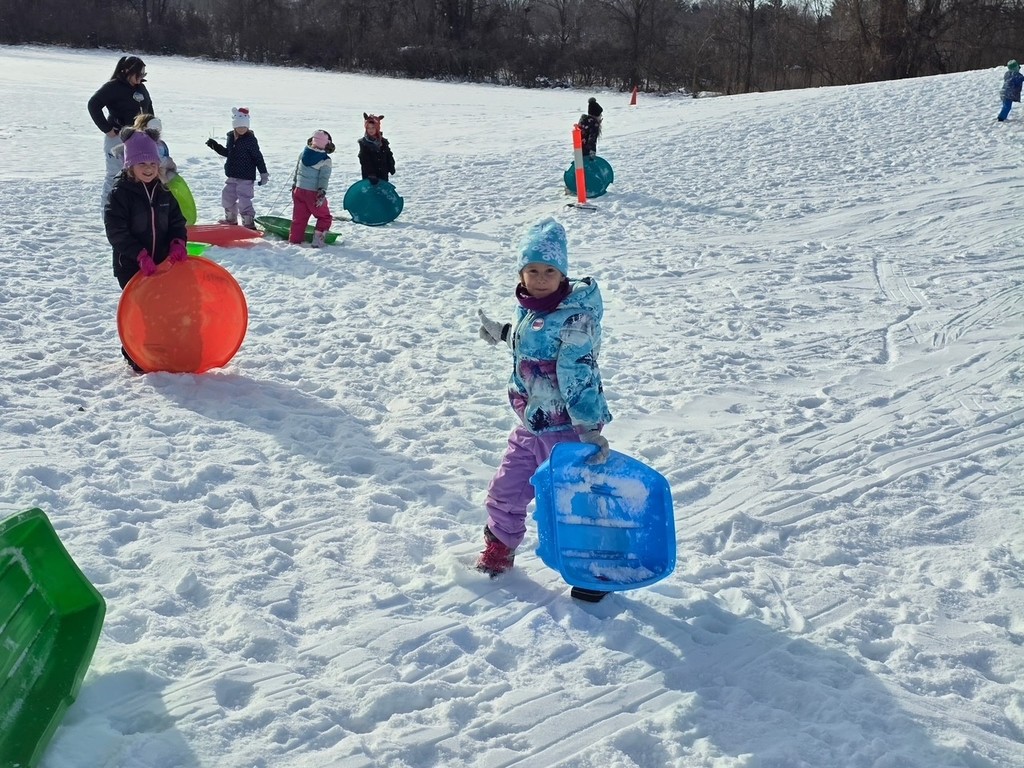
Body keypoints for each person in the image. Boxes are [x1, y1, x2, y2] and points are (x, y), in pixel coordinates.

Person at [475, 218, 613, 600]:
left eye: (549, 271)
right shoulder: (530, 308)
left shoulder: (576, 318)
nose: (540, 279)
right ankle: (500, 548)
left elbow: (577, 372)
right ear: (521, 273)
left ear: (563, 274)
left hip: (570, 429)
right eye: (532, 270)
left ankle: (593, 570)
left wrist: (589, 428)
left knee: (575, 500)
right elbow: (535, 345)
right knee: (506, 488)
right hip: (533, 424)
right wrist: (504, 333)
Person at [103, 130, 189, 371]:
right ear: (130, 164)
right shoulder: (120, 194)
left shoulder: (163, 191)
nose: (149, 169)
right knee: (140, 310)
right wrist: (139, 254)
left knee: (162, 308)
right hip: (131, 266)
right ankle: (134, 352)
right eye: (142, 163)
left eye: (153, 163)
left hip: (161, 263)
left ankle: (161, 347)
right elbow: (116, 232)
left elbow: (177, 221)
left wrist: (177, 241)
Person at [87, 55, 154, 211]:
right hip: (118, 138)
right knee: (115, 175)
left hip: (139, 138)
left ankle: (131, 210)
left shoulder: (141, 88)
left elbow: (149, 109)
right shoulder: (113, 87)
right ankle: (108, 211)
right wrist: (107, 128)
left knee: (136, 176)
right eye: (138, 74)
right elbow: (93, 105)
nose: (141, 78)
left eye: (143, 74)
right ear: (126, 71)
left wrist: (152, 131)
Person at [205, 107, 269, 229]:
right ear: (234, 126)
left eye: (244, 127)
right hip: (232, 175)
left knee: (244, 200)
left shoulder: (250, 140)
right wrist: (215, 146)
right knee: (227, 197)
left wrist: (263, 173)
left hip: (246, 177)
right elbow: (228, 153)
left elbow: (258, 157)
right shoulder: (231, 137)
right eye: (239, 127)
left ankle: (248, 223)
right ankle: (231, 219)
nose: (242, 129)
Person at [290, 129, 334, 248]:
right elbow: (323, 178)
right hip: (313, 193)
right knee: (324, 217)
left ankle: (294, 240)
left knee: (299, 218)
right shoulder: (325, 160)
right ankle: (317, 241)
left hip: (299, 190)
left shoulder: (303, 154)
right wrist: (322, 191)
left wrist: (295, 184)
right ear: (327, 144)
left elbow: (297, 171)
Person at [112, 114, 177, 183]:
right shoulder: (130, 148)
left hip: (161, 178)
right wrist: (168, 163)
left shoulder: (161, 145)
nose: (148, 168)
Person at [358, 113, 396, 185]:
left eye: (373, 127)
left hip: (383, 173)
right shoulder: (364, 143)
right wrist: (371, 173)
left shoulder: (383, 142)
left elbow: (389, 155)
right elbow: (364, 159)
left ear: (377, 128)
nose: (370, 130)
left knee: (382, 189)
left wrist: (391, 166)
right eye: (368, 128)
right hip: (370, 177)